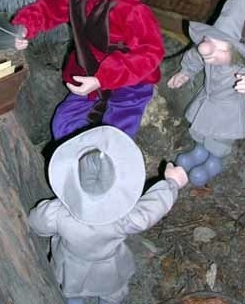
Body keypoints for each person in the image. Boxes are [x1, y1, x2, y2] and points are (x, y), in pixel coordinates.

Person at [12, 0, 164, 140]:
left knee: (115, 138)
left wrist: (103, 78)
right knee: (63, 127)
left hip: (129, 82)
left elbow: (150, 52)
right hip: (88, 73)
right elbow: (49, 9)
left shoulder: (132, 10)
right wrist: (24, 27)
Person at [28, 125, 188, 304]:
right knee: (111, 295)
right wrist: (171, 184)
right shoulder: (123, 219)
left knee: (71, 294)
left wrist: (42, 210)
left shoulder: (58, 212)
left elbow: (36, 224)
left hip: (71, 268)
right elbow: (150, 210)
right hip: (108, 270)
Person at [167, 0, 245, 187]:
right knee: (202, 129)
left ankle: (214, 161)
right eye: (209, 41)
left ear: (234, 51)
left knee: (219, 139)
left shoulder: (238, 66)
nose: (208, 50)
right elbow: (195, 56)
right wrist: (185, 72)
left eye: (219, 47)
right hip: (209, 99)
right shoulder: (206, 52)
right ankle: (199, 149)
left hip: (228, 110)